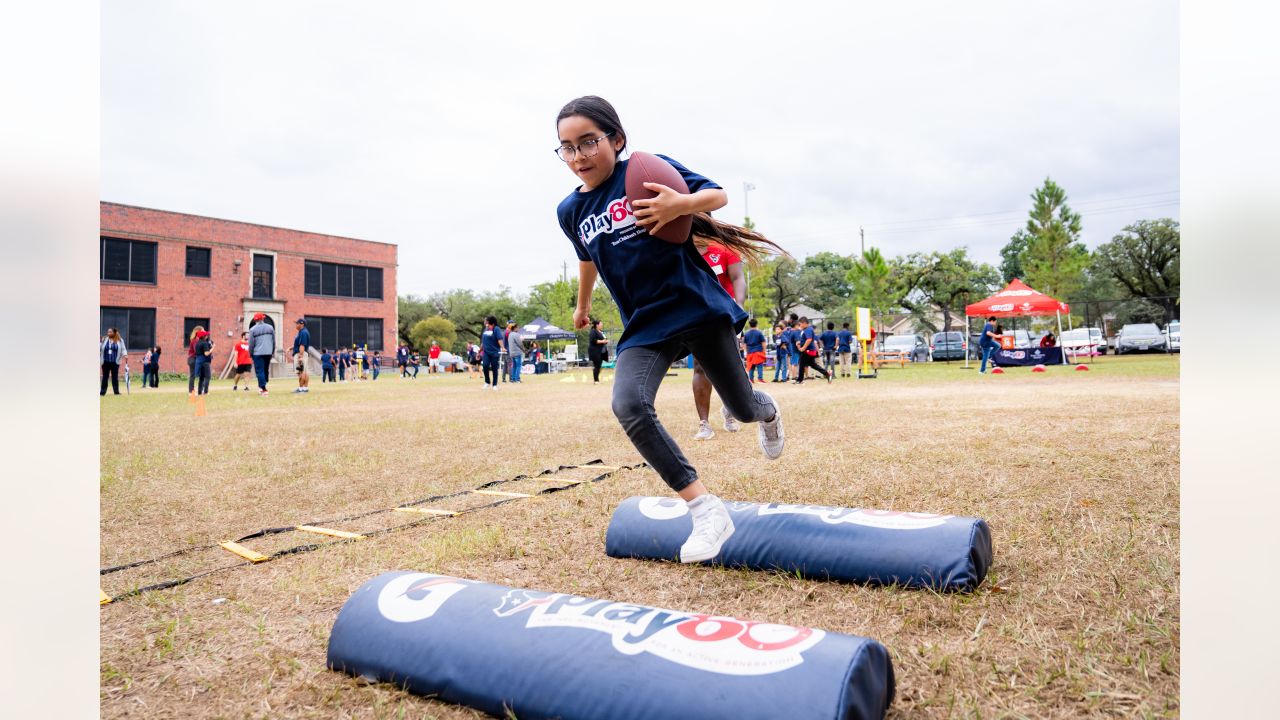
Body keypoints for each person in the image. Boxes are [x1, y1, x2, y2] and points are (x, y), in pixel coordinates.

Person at [554, 95, 786, 563]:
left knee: (741, 409)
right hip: (645, 324)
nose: (578, 156)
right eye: (566, 147)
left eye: (588, 142)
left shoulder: (645, 168)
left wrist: (680, 202)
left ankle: (768, 411)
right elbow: (586, 259)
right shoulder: (568, 211)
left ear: (616, 139)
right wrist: (582, 307)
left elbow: (716, 195)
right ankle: (705, 510)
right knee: (629, 404)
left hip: (696, 307)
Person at [690, 232, 748, 440]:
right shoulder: (681, 250)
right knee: (700, 365)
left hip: (725, 314)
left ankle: (729, 409)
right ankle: (704, 423)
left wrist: (739, 306)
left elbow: (737, 277)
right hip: (695, 314)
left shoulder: (724, 248)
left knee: (729, 365)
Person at [793, 317, 832, 384]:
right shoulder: (807, 330)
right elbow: (807, 339)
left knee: (801, 364)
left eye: (800, 324)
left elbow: (809, 339)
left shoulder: (808, 330)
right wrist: (800, 343)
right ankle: (827, 374)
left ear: (804, 323)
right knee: (813, 365)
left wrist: (803, 348)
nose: (800, 326)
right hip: (809, 350)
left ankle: (800, 380)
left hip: (807, 350)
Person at [248, 313, 275, 396]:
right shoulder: (270, 328)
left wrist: (251, 353)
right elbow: (273, 341)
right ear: (263, 319)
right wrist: (272, 351)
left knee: (260, 371)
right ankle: (262, 385)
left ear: (255, 320)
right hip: (268, 352)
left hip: (258, 353)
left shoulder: (252, 330)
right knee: (265, 370)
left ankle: (263, 389)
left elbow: (251, 344)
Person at [99, 327, 127, 396]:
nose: (108, 333)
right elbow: (100, 348)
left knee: (115, 377)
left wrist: (125, 355)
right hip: (105, 362)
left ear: (114, 333)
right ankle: (102, 392)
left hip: (115, 362)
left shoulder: (120, 340)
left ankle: (116, 392)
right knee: (105, 377)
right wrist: (100, 342)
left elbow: (123, 349)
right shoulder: (105, 339)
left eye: (110, 332)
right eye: (108, 332)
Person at [480, 315, 504, 389]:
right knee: (485, 366)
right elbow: (483, 342)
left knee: (494, 368)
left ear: (492, 324)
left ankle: (494, 385)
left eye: (487, 322)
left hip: (494, 352)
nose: (485, 323)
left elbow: (499, 339)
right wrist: (479, 351)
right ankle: (487, 382)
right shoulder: (486, 330)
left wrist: (502, 347)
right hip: (486, 352)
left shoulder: (496, 329)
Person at [741, 319, 767, 383]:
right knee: (759, 366)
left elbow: (745, 344)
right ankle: (760, 378)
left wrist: (747, 352)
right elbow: (763, 342)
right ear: (757, 324)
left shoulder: (746, 334)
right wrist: (764, 351)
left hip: (750, 352)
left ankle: (751, 379)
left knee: (751, 366)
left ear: (750, 325)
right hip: (758, 351)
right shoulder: (759, 333)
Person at [291, 319, 311, 393]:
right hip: (302, 352)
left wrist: (300, 356)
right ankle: (305, 388)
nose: (296, 325)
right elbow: (299, 344)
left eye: (297, 323)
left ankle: (301, 388)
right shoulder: (302, 332)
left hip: (301, 353)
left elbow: (302, 345)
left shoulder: (303, 332)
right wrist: (291, 348)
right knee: (304, 371)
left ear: (302, 324)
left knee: (301, 371)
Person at [193, 329, 214, 396]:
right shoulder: (204, 343)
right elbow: (206, 353)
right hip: (205, 361)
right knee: (207, 376)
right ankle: (205, 391)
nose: (207, 336)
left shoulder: (197, 343)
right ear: (204, 336)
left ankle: (199, 392)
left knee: (201, 377)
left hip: (198, 361)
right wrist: (212, 348)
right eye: (206, 335)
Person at [588, 319, 608, 384]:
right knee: (597, 366)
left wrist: (605, 340)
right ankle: (596, 380)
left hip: (601, 352)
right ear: (597, 325)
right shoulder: (593, 331)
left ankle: (597, 379)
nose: (602, 325)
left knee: (599, 366)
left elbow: (603, 339)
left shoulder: (600, 331)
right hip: (595, 352)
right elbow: (593, 340)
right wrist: (603, 341)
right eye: (601, 324)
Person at [186, 326, 202, 399]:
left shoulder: (196, 340)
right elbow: (197, 350)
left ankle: (192, 390)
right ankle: (191, 391)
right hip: (193, 359)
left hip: (193, 359)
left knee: (193, 375)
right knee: (193, 376)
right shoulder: (195, 340)